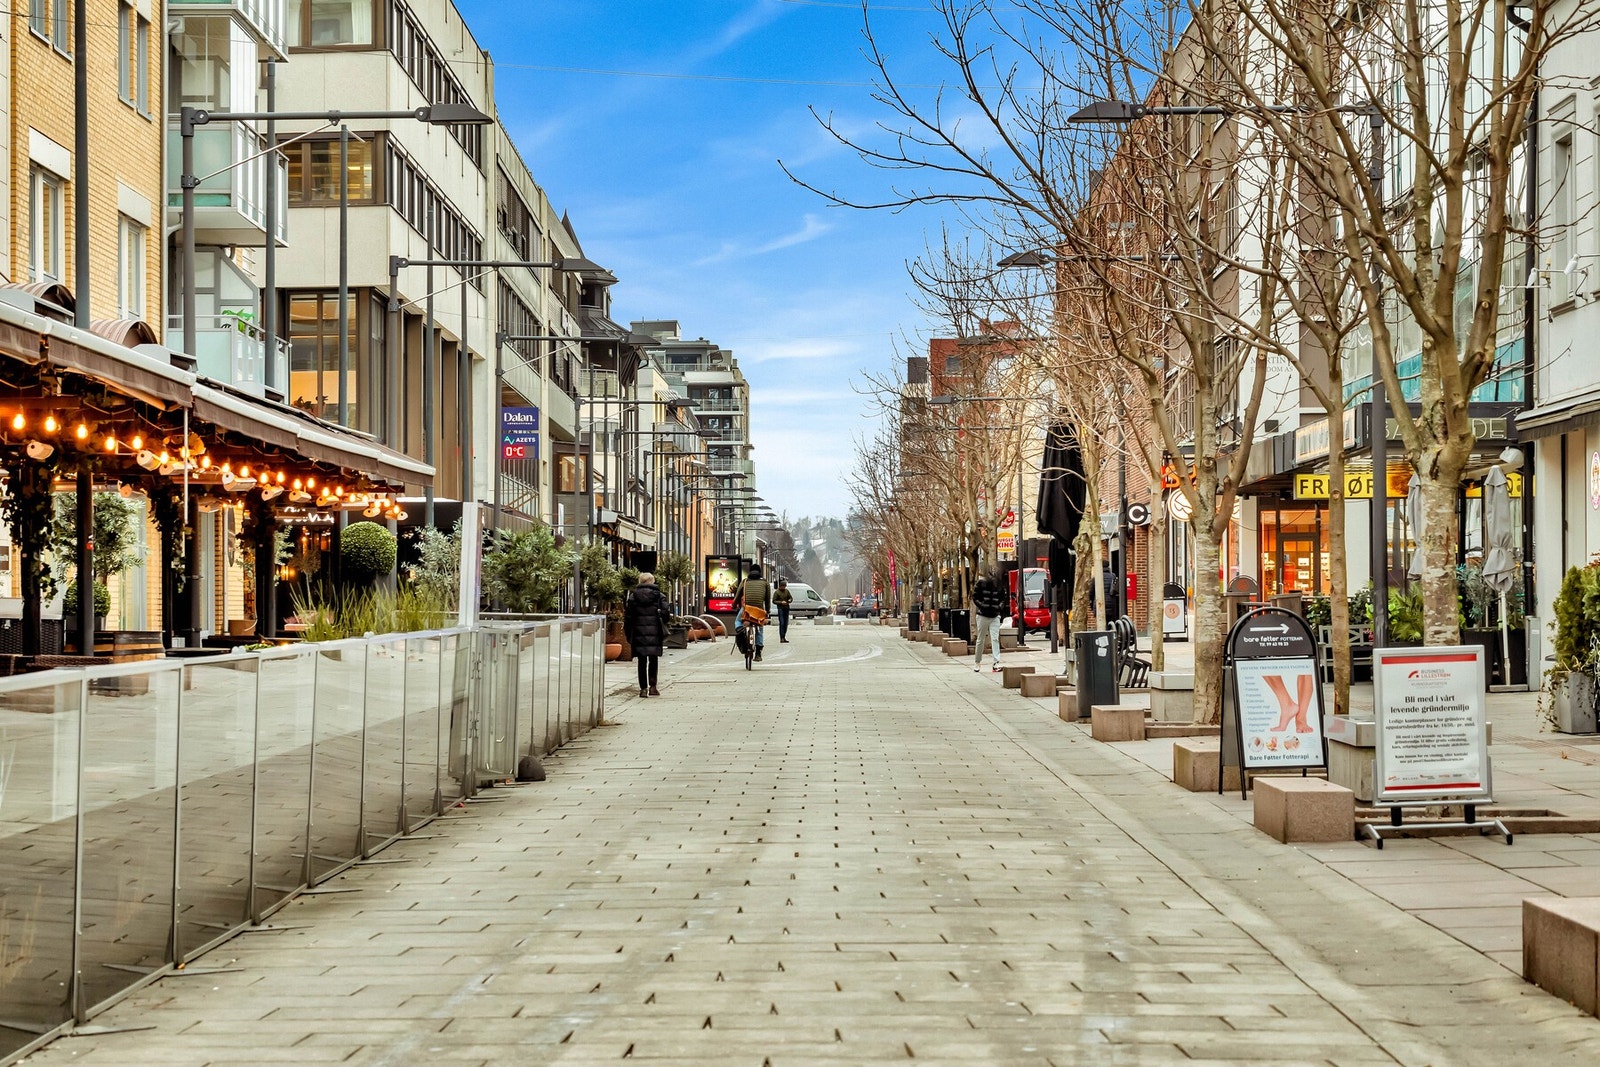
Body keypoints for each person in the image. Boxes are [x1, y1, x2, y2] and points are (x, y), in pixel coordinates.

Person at [624, 571, 671, 698]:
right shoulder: (659, 596)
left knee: (641, 661)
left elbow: (628, 617)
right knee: (653, 659)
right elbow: (666, 614)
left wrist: (628, 633)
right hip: (655, 631)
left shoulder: (633, 597)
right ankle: (653, 686)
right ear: (652, 581)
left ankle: (643, 688)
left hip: (639, 632)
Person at [734, 565, 772, 662]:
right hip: (759, 610)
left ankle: (741, 632)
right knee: (760, 629)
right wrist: (767, 611)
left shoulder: (745, 582)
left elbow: (738, 595)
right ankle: (758, 653)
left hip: (747, 609)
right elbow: (767, 599)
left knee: (738, 621)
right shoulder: (765, 583)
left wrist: (734, 605)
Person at [972, 570, 1006, 673]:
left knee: (994, 639)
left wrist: (998, 607)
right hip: (983, 615)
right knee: (980, 640)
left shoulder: (998, 585)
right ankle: (977, 662)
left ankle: (996, 662)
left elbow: (1003, 598)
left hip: (994, 615)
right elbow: (975, 597)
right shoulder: (981, 583)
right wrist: (983, 606)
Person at [774, 578, 793, 642]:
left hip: (786, 608)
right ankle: (781, 637)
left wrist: (790, 600)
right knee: (782, 623)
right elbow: (774, 601)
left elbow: (790, 597)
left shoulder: (786, 591)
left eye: (785, 586)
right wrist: (781, 602)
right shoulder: (777, 592)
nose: (784, 587)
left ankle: (784, 636)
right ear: (780, 586)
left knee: (785, 623)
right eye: (783, 586)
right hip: (780, 609)